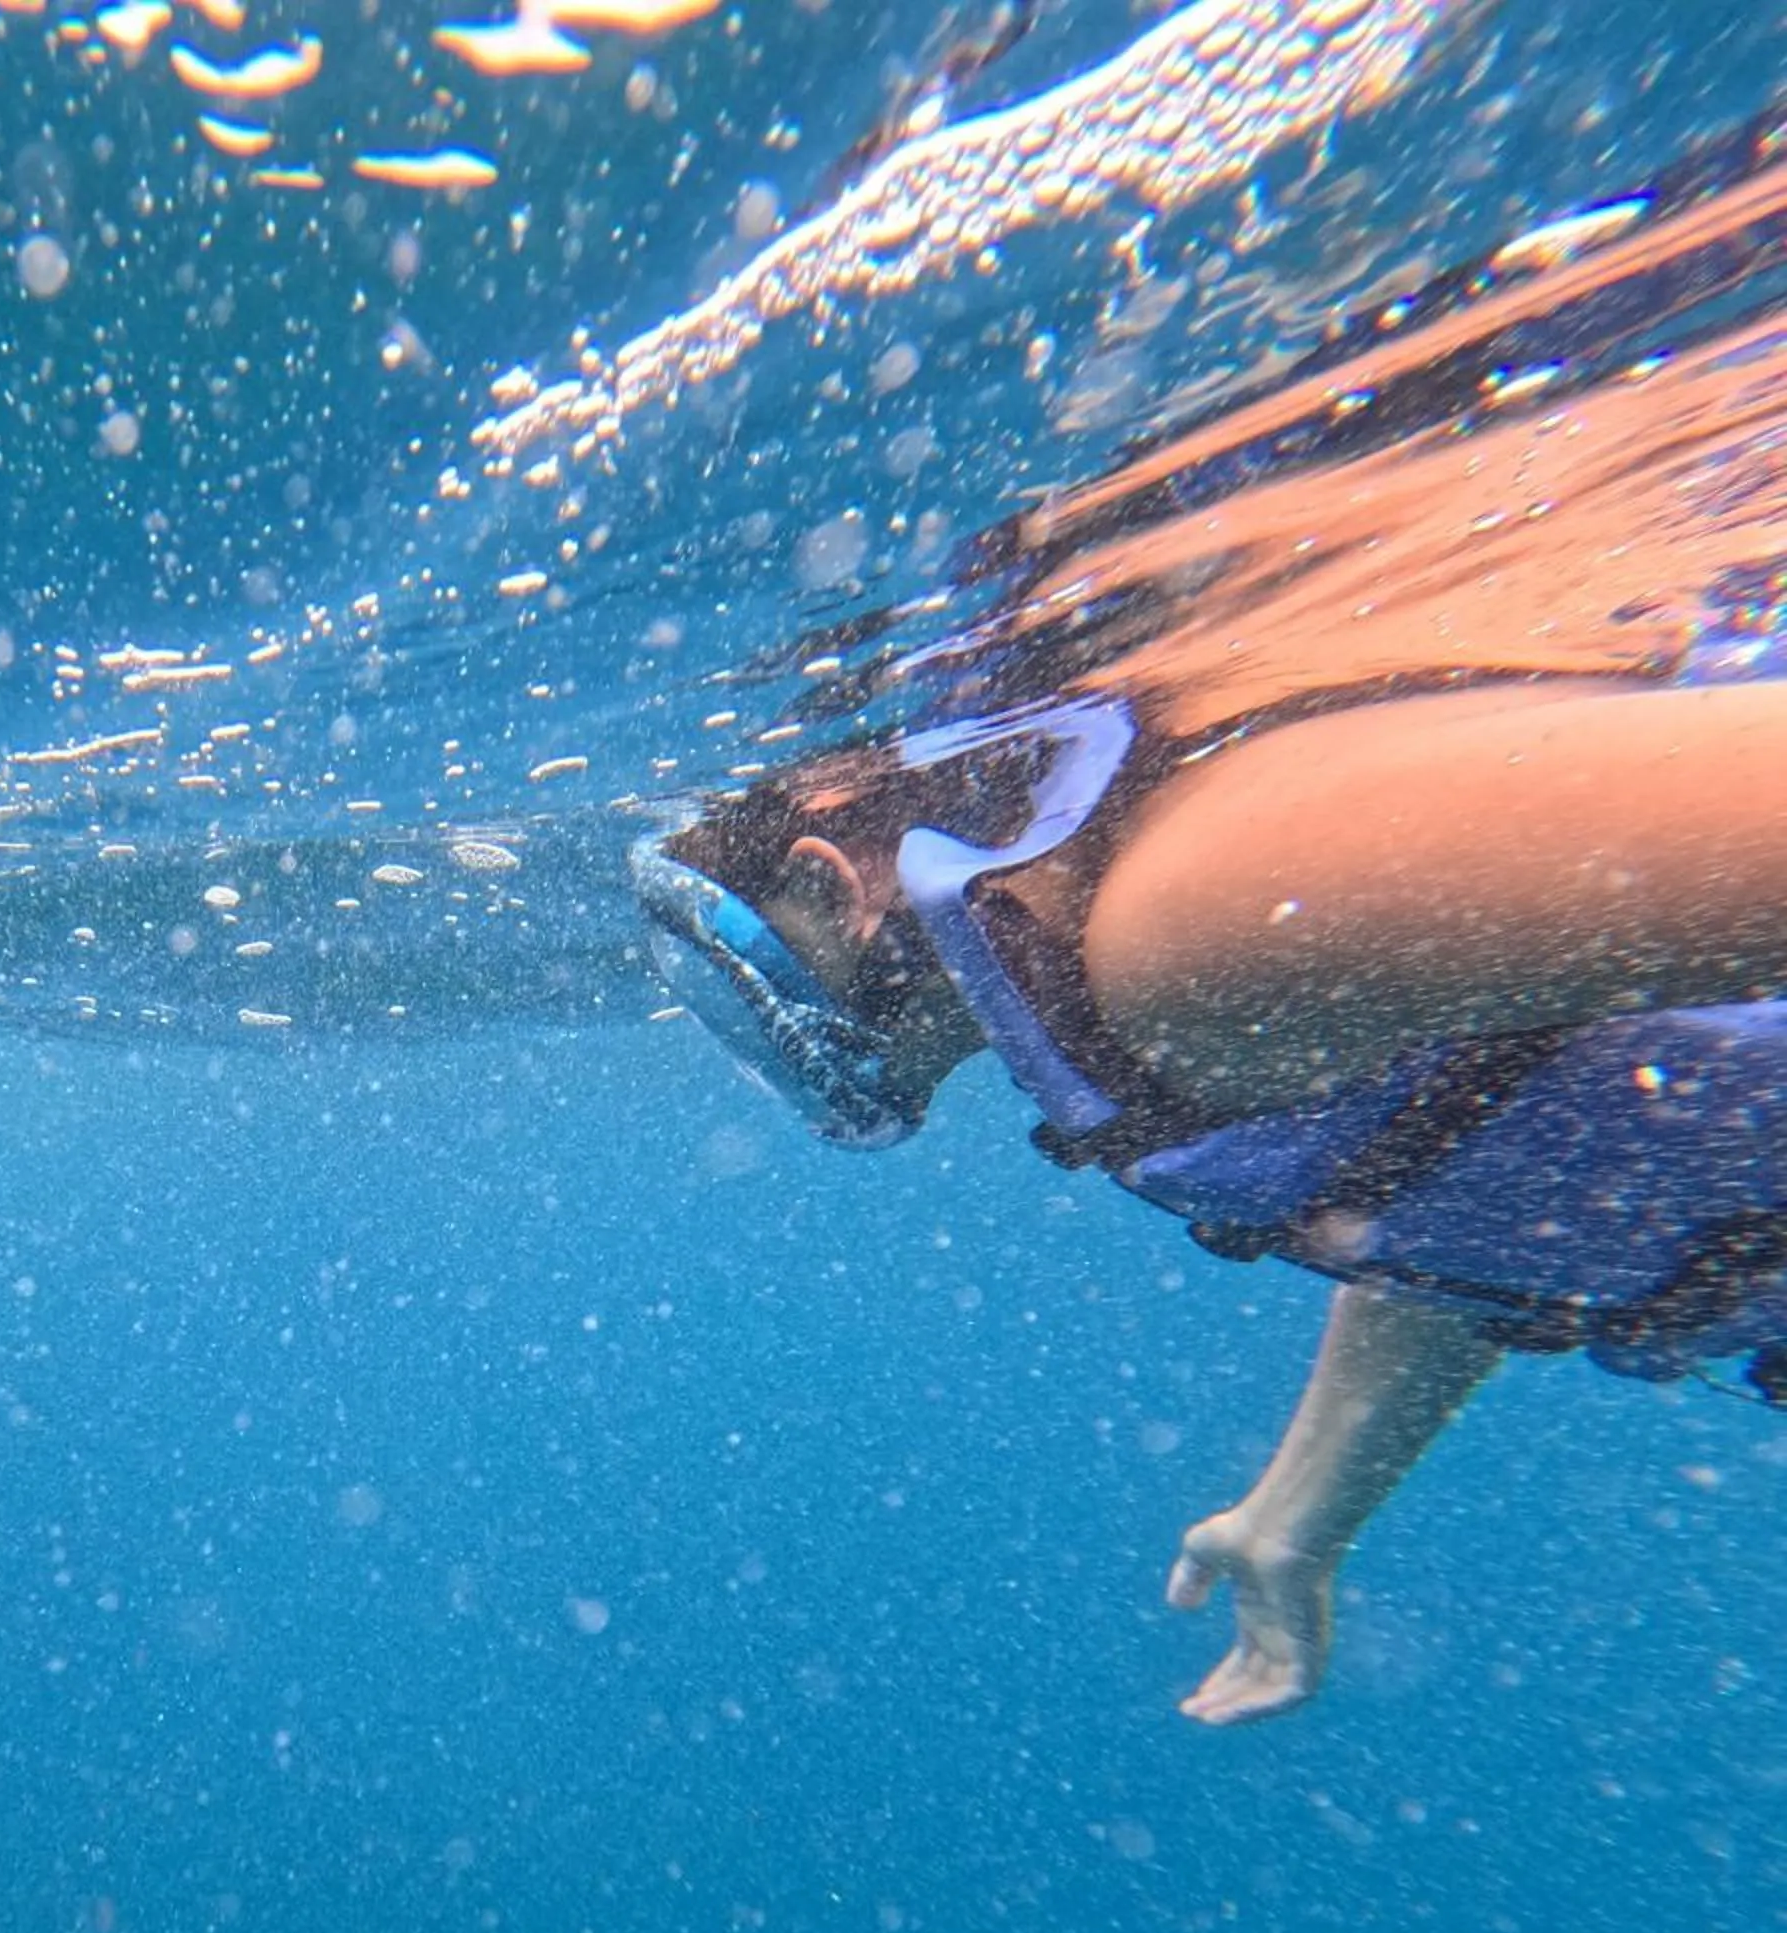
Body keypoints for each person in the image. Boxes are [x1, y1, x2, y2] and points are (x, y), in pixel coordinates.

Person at [640, 128, 1787, 1721]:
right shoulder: (1172, 975)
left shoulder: (1185, 929)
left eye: (758, 975)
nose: (793, 1047)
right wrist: (1304, 1510)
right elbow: (1484, 1135)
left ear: (835, 884)